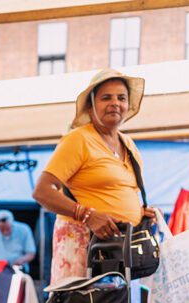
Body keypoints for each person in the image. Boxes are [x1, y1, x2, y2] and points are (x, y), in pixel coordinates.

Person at [32, 69, 156, 283]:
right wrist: (87, 215)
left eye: (121, 98)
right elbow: (42, 191)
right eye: (106, 98)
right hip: (84, 244)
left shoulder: (129, 145)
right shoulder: (78, 139)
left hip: (117, 250)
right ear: (90, 107)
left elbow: (120, 192)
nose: (115, 103)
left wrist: (140, 212)